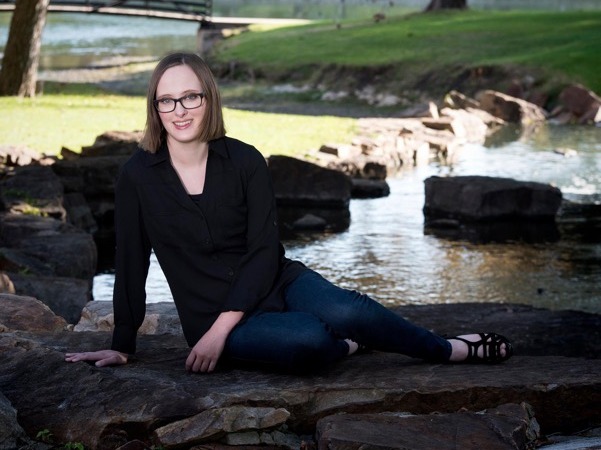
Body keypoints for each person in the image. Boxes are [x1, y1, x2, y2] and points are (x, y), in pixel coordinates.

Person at [65, 52, 513, 374]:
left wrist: (223, 331)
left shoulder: (245, 161)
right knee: (310, 341)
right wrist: (122, 344)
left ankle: (447, 349)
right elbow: (130, 262)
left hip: (278, 281)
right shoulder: (137, 176)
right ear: (155, 108)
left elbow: (263, 251)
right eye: (167, 101)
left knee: (349, 309)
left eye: (191, 98)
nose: (179, 111)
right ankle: (345, 345)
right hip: (208, 313)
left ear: (210, 99)